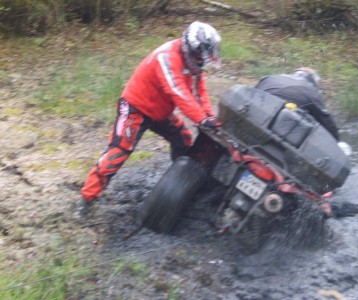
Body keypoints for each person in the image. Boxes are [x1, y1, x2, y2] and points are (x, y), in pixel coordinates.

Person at [76, 21, 222, 218]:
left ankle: (178, 184)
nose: (201, 61)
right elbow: (178, 92)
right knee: (118, 151)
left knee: (185, 139)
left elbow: (199, 91)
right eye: (198, 56)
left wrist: (209, 117)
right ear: (189, 48)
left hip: (160, 112)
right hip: (135, 107)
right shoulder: (166, 58)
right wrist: (201, 120)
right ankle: (86, 200)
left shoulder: (194, 64)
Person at [254, 67, 340, 141]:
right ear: (314, 82)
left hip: (254, 114)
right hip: (279, 129)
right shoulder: (311, 91)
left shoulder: (269, 78)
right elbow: (328, 122)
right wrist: (337, 142)